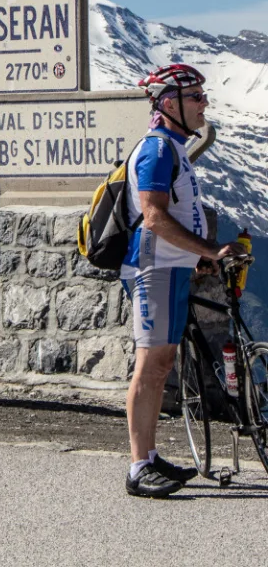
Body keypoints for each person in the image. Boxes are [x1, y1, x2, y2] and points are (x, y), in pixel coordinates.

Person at [122, 63, 246, 498]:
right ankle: (138, 467)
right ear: (169, 103)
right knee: (150, 364)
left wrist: (195, 259)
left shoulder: (175, 147)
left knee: (162, 363)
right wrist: (210, 250)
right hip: (151, 267)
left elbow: (178, 214)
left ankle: (150, 457)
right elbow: (153, 216)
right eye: (195, 96)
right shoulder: (157, 149)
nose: (204, 103)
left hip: (173, 266)